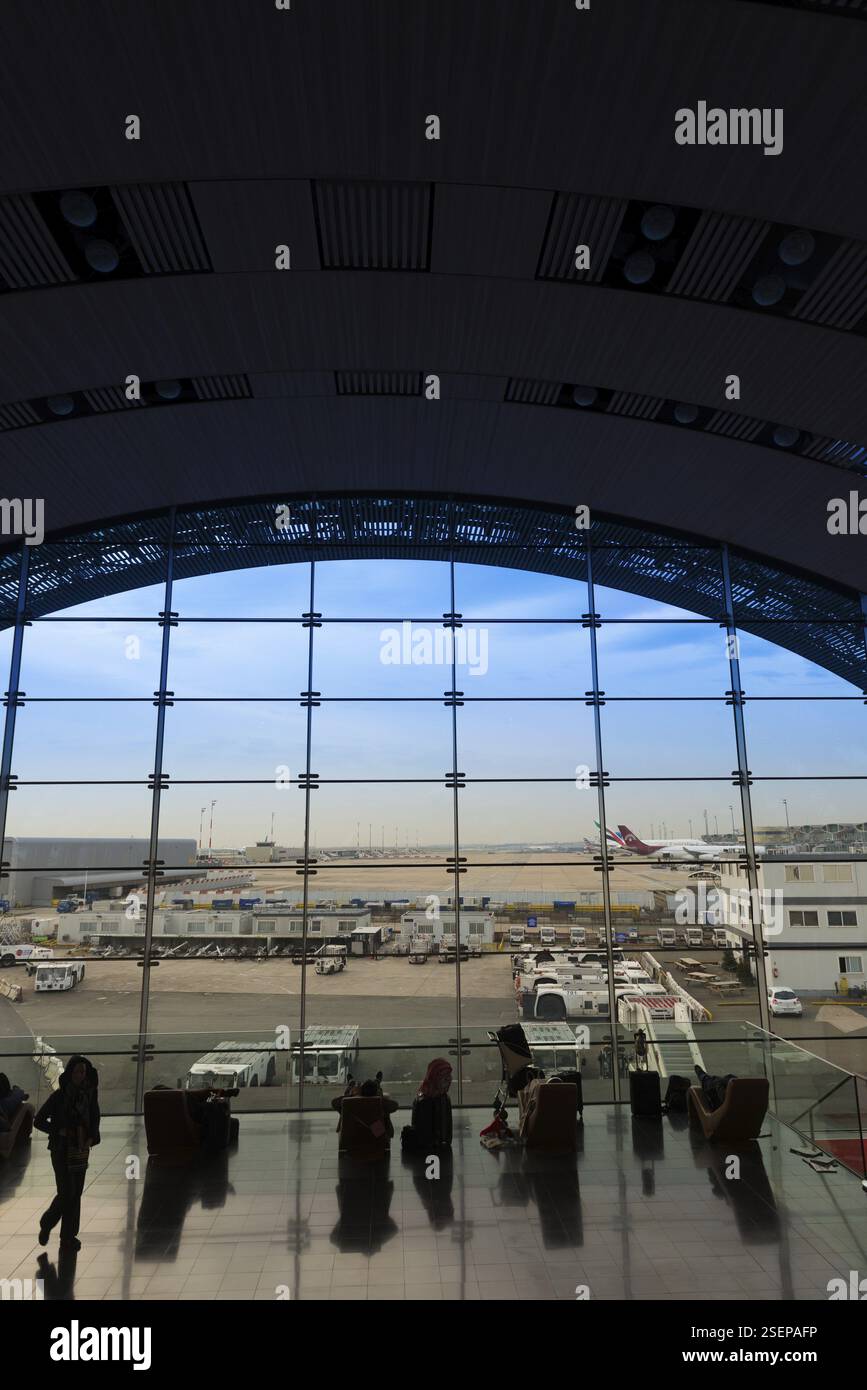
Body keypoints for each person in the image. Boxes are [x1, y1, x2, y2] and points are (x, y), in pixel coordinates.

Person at [33, 1055, 100, 1251]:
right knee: (67, 1192)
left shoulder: (89, 1096)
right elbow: (39, 1120)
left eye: (83, 1072)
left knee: (75, 1193)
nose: (81, 1076)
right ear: (70, 1073)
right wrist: (58, 1130)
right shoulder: (59, 1097)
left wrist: (91, 1137)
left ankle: (68, 1236)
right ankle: (48, 1222)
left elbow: (95, 1118)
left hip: (79, 1149)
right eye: (78, 1072)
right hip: (61, 1149)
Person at [401, 1058, 453, 1152]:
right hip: (428, 1148)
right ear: (435, 1077)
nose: (449, 1079)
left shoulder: (439, 1096)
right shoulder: (426, 1101)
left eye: (449, 1075)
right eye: (444, 1076)